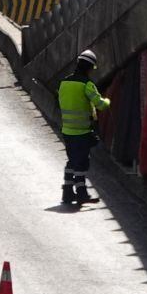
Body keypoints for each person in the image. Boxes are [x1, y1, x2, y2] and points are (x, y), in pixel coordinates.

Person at [57, 50, 109, 206]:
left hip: (67, 131)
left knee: (72, 161)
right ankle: (81, 193)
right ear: (89, 67)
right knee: (81, 163)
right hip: (82, 132)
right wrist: (108, 101)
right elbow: (100, 104)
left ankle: (67, 192)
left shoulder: (64, 83)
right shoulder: (87, 85)